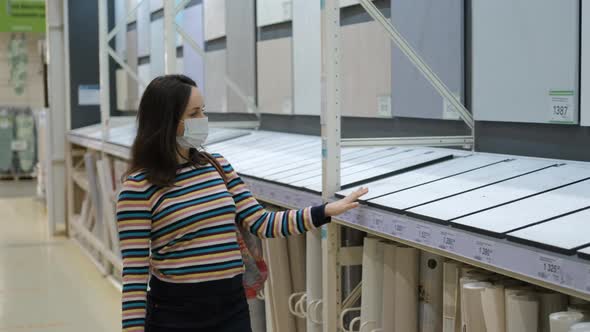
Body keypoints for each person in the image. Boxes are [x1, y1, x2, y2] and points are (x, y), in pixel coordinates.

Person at [116, 74, 368, 332]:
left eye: (202, 111)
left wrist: (324, 211)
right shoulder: (138, 188)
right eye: (193, 114)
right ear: (167, 122)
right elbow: (134, 276)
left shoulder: (217, 166)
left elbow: (262, 223)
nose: (202, 120)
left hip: (231, 308)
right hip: (176, 315)